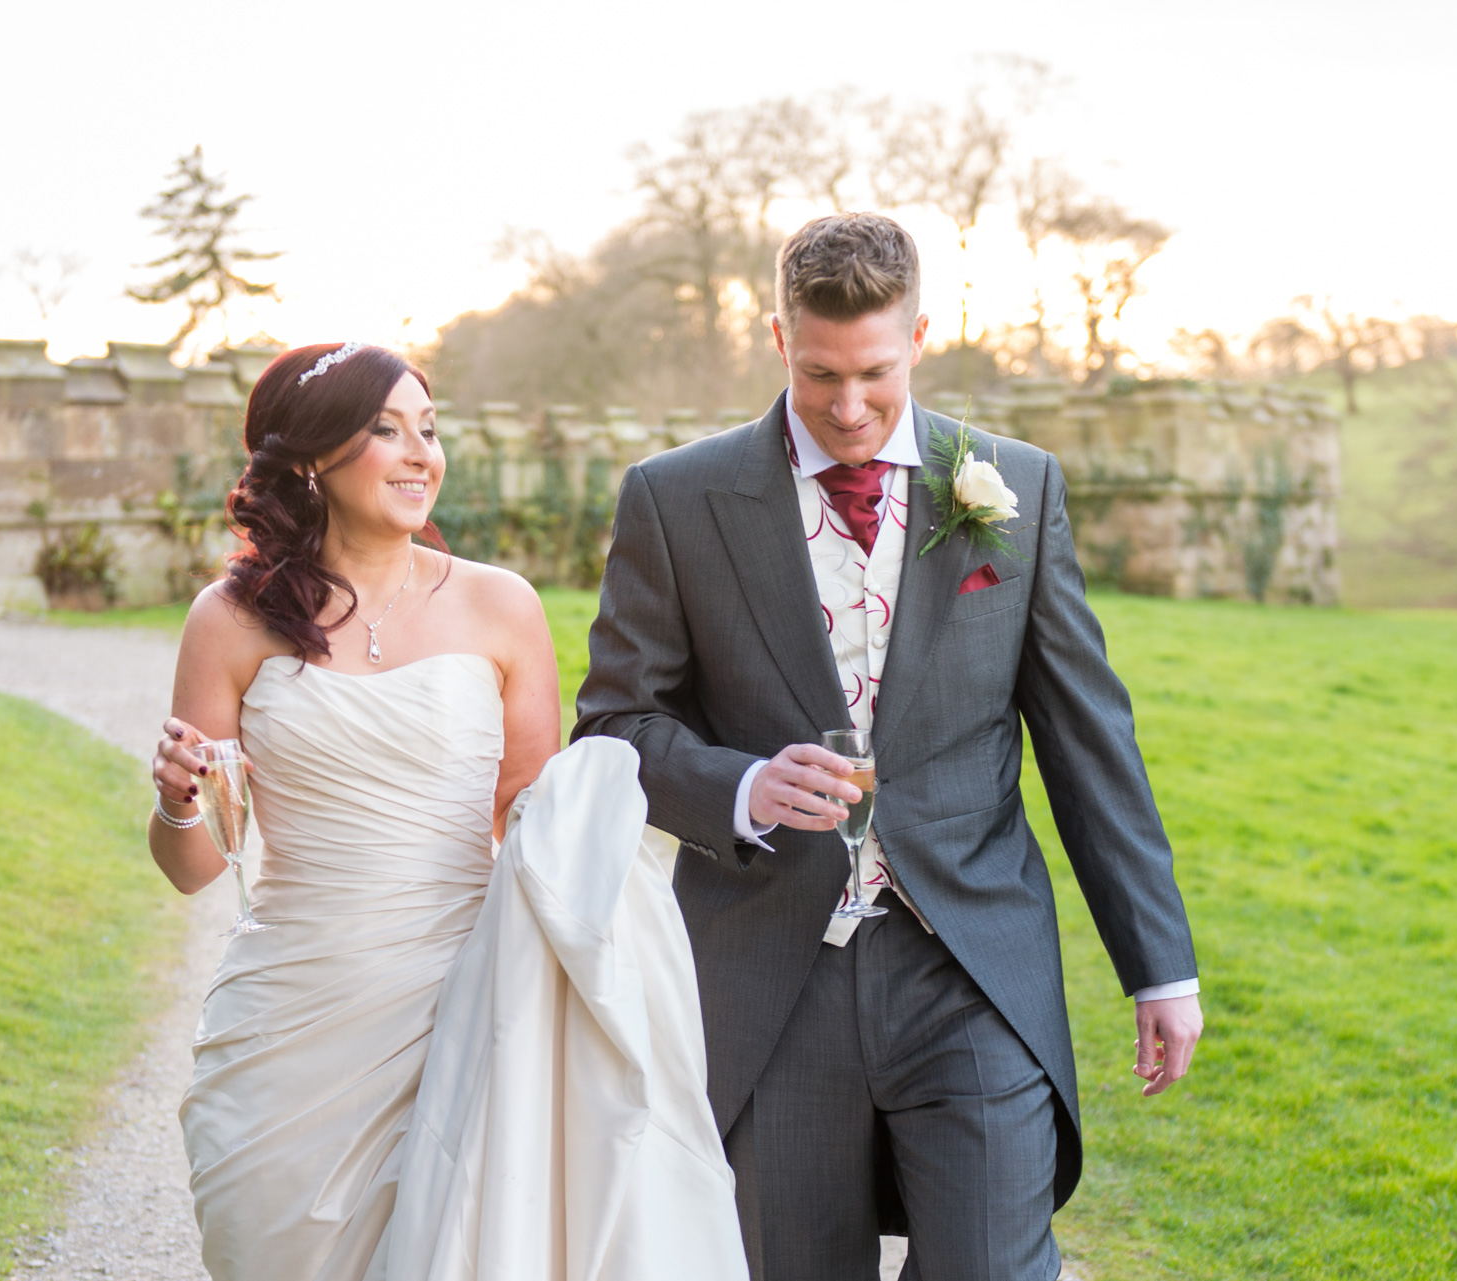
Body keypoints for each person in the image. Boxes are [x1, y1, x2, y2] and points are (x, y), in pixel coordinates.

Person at [574, 212, 1205, 1281]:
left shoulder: (1018, 487)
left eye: (875, 372)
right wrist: (744, 787)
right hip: (771, 973)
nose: (850, 406)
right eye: (821, 374)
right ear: (780, 340)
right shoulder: (675, 500)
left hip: (970, 962)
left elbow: (1088, 740)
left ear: (919, 335)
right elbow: (616, 725)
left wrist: (1160, 966)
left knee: (993, 1266)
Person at [146, 343, 745, 1280]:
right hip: (290, 1018)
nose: (421, 452)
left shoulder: (500, 606)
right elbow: (196, 866)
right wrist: (179, 801)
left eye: (429, 427)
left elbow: (537, 829)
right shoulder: (228, 619)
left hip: (463, 1004)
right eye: (385, 430)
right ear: (311, 456)